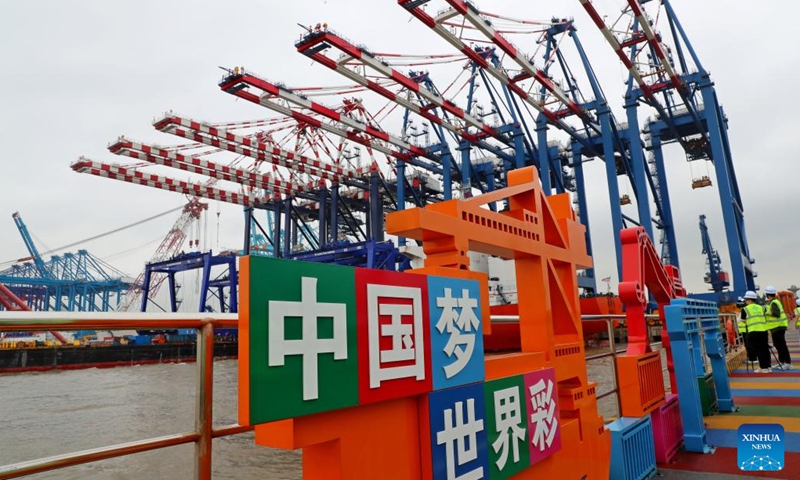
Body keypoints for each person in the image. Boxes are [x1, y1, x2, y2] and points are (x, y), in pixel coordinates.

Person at [741, 290, 771, 373]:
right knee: (765, 349)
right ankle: (768, 367)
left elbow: (743, 320)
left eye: (746, 300)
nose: (745, 301)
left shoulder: (745, 309)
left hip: (753, 331)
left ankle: (763, 368)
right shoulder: (761, 307)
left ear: (749, 300)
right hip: (764, 330)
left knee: (758, 350)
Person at [764, 286, 791, 370]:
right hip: (777, 327)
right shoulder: (775, 302)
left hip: (778, 327)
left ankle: (787, 363)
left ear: (767, 295)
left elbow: (776, 314)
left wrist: (766, 313)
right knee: (778, 345)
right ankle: (782, 362)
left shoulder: (774, 302)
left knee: (781, 345)